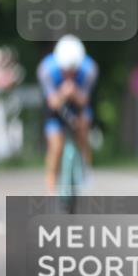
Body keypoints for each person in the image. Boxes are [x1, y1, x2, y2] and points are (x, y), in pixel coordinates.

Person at [37, 35, 98, 194]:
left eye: (73, 71)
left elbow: (84, 100)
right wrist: (64, 93)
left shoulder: (90, 69)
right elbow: (52, 102)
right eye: (66, 71)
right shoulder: (46, 69)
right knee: (55, 146)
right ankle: (51, 187)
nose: (70, 75)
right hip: (57, 107)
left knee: (83, 130)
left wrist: (75, 93)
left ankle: (86, 166)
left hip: (78, 106)